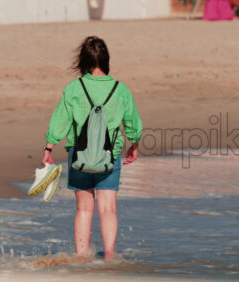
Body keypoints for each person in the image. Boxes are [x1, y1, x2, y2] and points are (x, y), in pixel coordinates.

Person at [42, 36, 143, 259]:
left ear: (84, 61)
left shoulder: (74, 88)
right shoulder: (120, 89)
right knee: (108, 209)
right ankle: (108, 256)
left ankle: (81, 258)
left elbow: (61, 120)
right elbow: (132, 123)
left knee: (84, 209)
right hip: (110, 156)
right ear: (106, 60)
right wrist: (134, 144)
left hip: (79, 156)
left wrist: (48, 148)